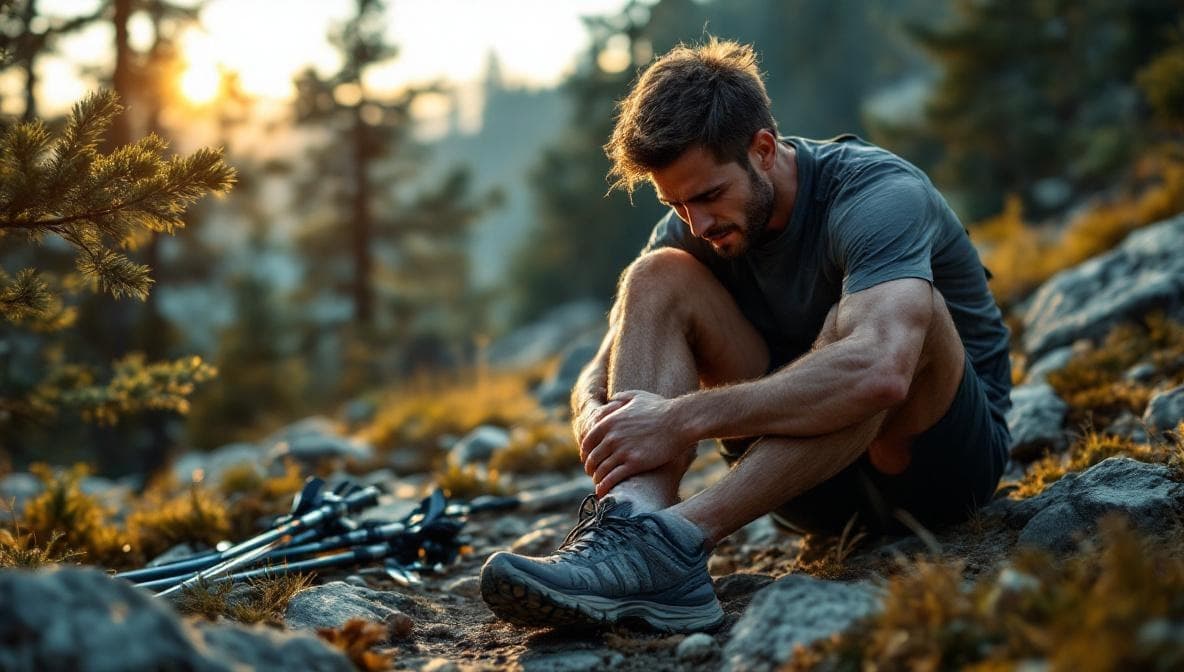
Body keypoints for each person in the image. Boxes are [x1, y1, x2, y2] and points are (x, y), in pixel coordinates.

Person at [480, 38, 1011, 634]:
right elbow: (601, 368)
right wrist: (596, 417)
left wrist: (679, 420)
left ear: (762, 149)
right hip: (806, 488)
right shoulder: (692, 224)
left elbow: (879, 371)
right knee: (653, 276)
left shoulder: (876, 194)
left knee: (874, 328)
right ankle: (630, 535)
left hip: (933, 470)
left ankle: (677, 540)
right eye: (677, 204)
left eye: (708, 195)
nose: (697, 223)